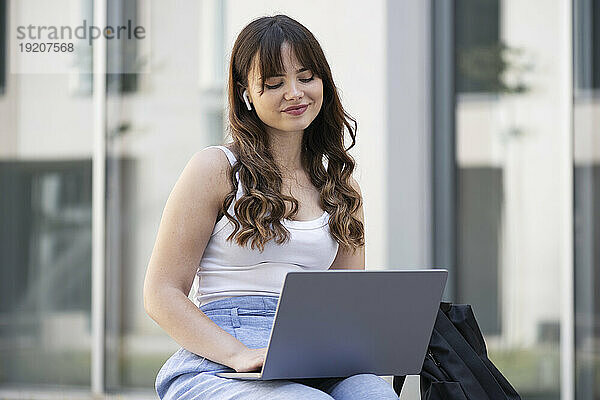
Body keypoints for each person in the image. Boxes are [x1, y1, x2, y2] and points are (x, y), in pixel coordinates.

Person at [143, 14, 399, 400]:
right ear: (247, 93)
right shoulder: (215, 168)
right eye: (274, 83)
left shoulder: (342, 188)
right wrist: (238, 353)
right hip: (220, 357)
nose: (295, 93)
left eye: (307, 77)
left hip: (313, 354)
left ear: (323, 83)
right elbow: (161, 292)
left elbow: (346, 307)